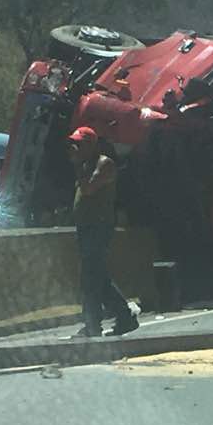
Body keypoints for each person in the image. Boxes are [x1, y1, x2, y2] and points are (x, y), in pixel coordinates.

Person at [68, 126, 138, 338]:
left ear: (92, 145)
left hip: (99, 227)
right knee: (95, 275)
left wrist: (78, 166)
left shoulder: (104, 164)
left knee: (91, 276)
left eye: (80, 144)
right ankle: (121, 316)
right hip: (86, 227)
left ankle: (94, 324)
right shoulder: (86, 165)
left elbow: (89, 188)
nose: (76, 148)